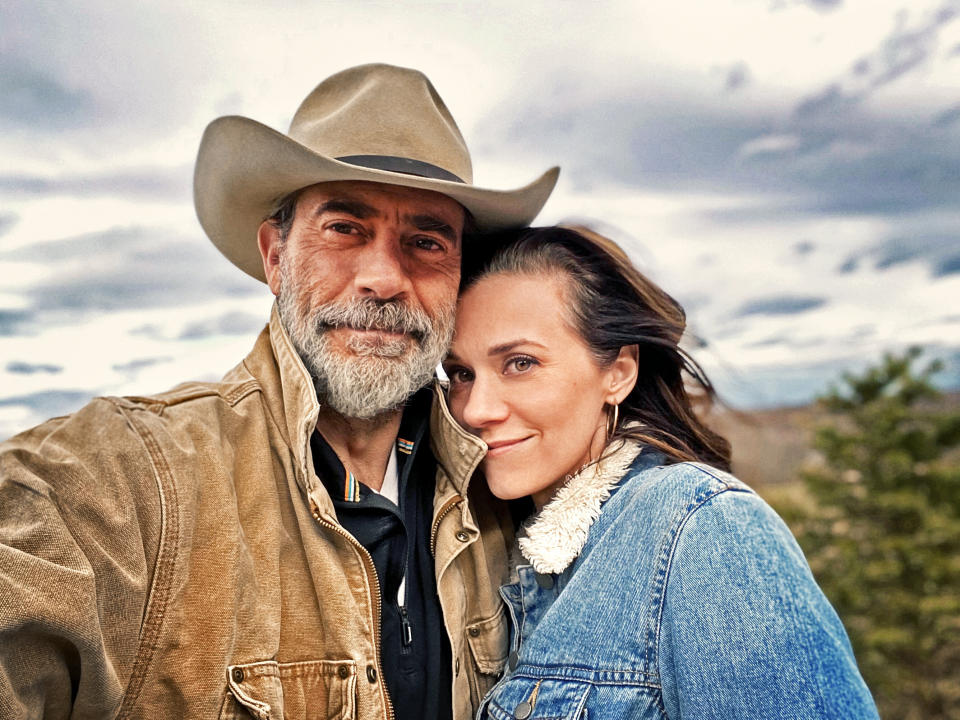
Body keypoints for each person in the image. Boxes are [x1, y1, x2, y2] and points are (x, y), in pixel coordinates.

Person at [0, 64, 558, 720]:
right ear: (274, 255)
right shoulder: (118, 483)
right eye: (344, 229)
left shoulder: (511, 494)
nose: (383, 277)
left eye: (426, 241)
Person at [438, 226, 880, 719]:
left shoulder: (703, 529)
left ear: (618, 372)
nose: (476, 409)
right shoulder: (501, 551)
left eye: (520, 363)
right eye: (461, 374)